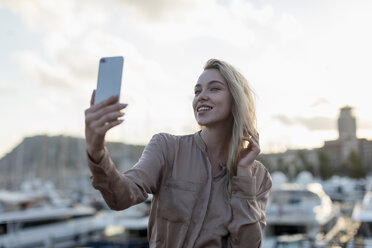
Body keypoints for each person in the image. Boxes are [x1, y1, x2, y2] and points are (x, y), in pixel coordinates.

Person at [84, 58, 272, 247]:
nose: (201, 96)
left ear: (237, 100)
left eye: (214, 88)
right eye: (197, 91)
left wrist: (243, 175)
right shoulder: (166, 147)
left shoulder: (259, 177)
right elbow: (121, 197)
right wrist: (97, 151)